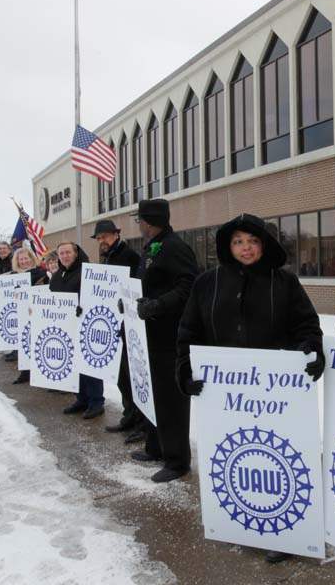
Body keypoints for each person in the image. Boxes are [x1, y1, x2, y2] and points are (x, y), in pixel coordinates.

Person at [177, 213, 325, 562]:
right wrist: (185, 369)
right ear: (228, 247)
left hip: (275, 395)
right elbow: (188, 331)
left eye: (253, 241)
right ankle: (238, 522)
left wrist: (312, 350)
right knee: (235, 459)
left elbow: (307, 324)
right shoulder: (207, 283)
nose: (246, 248)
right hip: (225, 398)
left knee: (274, 462)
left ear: (264, 245)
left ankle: (282, 532)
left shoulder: (284, 282)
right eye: (238, 241)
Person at [131, 199, 198, 483]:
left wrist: (158, 305)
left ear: (149, 221)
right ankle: (156, 446)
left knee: (171, 400)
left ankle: (177, 460)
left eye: (140, 220)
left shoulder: (175, 247)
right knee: (153, 393)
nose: (139, 224)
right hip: (148, 335)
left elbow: (188, 286)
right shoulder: (151, 247)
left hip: (170, 335)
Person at [89, 219, 146, 440]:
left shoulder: (129, 256)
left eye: (104, 236)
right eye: (99, 238)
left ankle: (141, 422)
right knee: (122, 376)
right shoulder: (109, 256)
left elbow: (136, 288)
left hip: (128, 323)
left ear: (116, 235)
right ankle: (129, 414)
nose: (101, 241)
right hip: (113, 322)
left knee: (132, 376)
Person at [50, 241, 104, 419]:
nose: (65, 256)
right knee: (74, 365)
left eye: (68, 252)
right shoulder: (57, 276)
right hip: (66, 327)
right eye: (61, 253)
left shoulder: (87, 273)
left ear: (76, 253)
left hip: (85, 326)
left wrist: (83, 307)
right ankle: (81, 398)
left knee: (89, 365)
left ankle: (96, 402)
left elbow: (97, 296)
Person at [10, 247, 49, 385]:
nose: (24, 261)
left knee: (39, 341)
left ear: (31, 258)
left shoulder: (41, 273)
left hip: (38, 312)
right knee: (24, 342)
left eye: (26, 258)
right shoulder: (14, 276)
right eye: (21, 259)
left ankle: (42, 372)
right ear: (17, 261)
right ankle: (25, 372)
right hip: (22, 314)